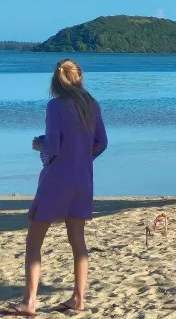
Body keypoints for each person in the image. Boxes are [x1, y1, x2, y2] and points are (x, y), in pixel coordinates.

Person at [7, 60, 108, 316]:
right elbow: (102, 143)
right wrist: (82, 158)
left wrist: (39, 145)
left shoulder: (56, 105)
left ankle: (29, 302)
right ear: (79, 77)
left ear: (56, 79)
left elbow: (52, 147)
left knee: (34, 240)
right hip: (82, 178)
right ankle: (79, 298)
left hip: (57, 180)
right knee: (77, 240)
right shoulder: (91, 104)